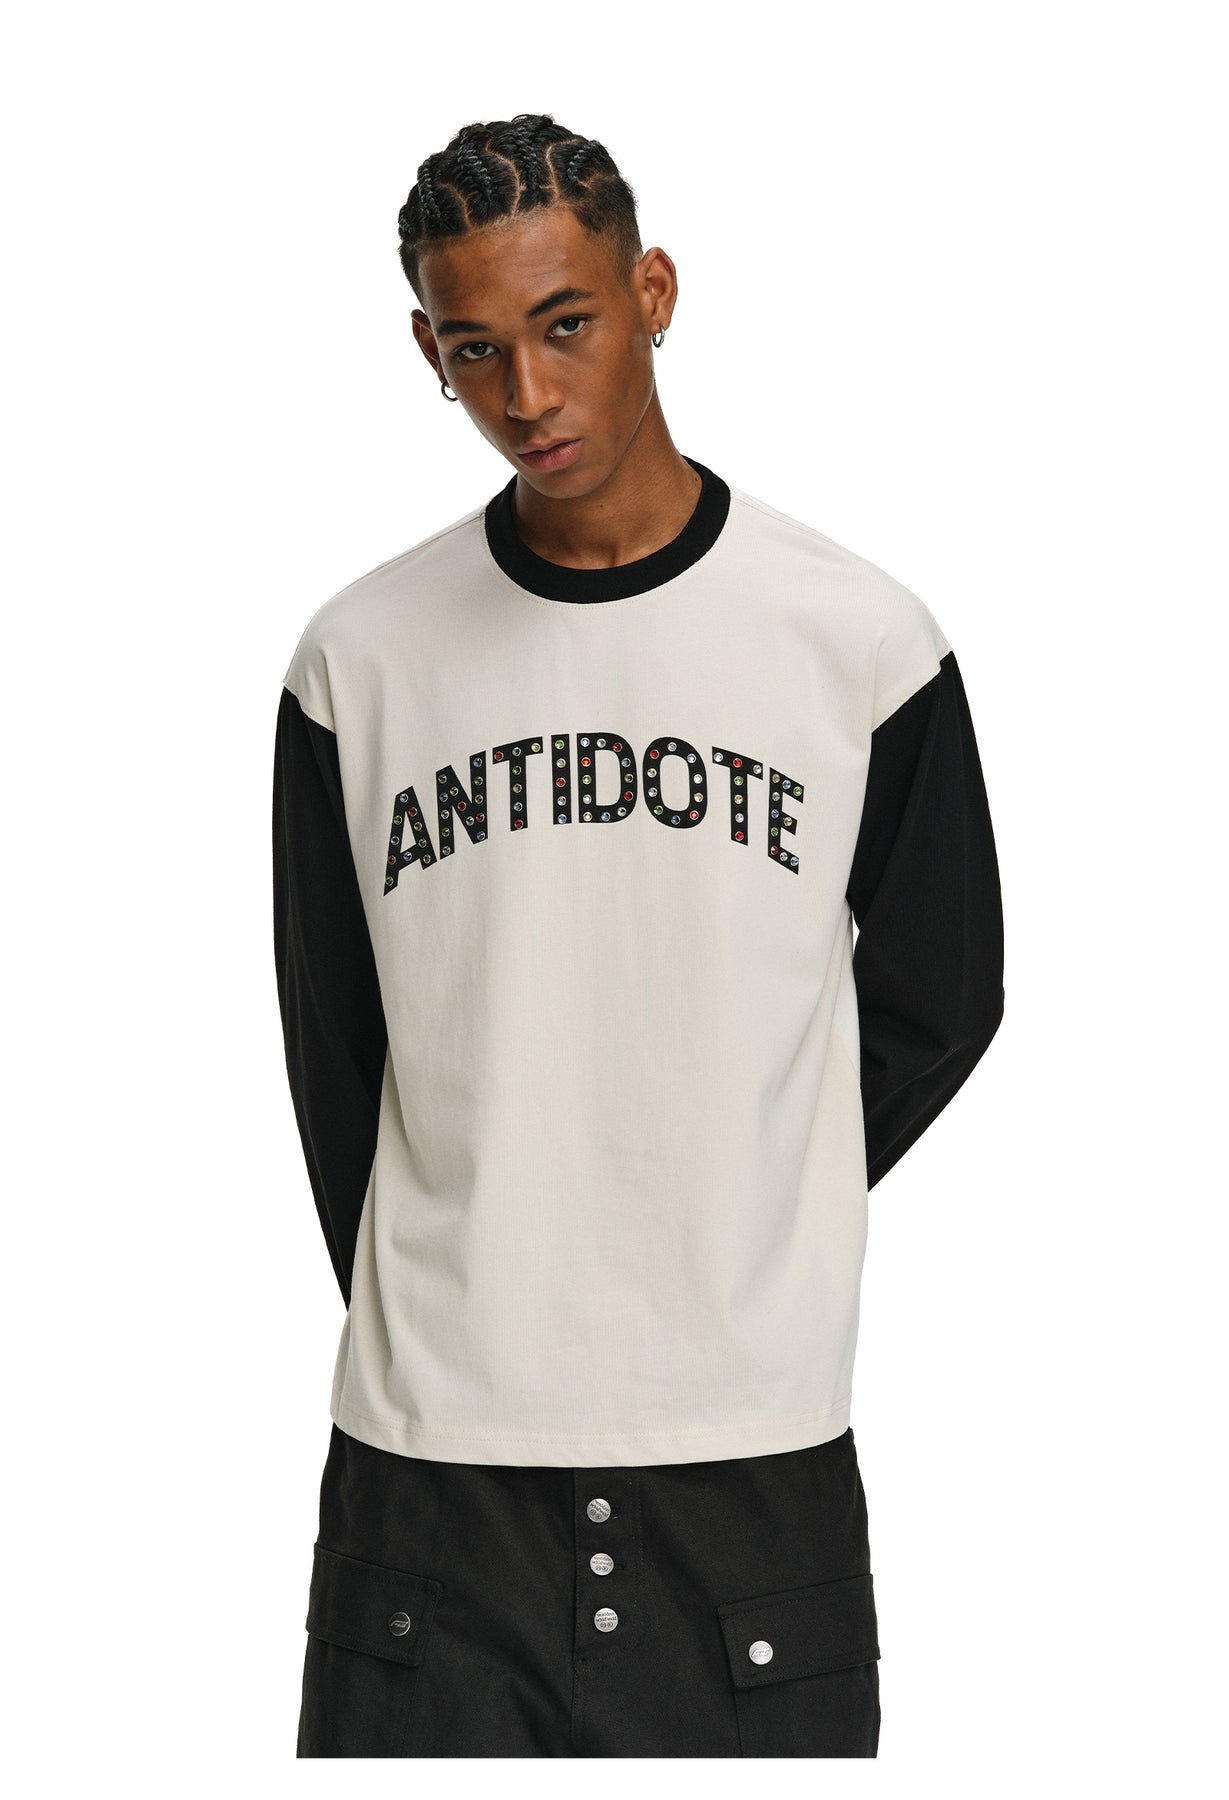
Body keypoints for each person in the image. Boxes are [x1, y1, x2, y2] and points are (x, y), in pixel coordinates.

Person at [272, 111, 1004, 1759]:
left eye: (566, 325)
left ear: (651, 293)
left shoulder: (855, 642)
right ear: (427, 352)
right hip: (428, 1482)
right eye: (474, 348)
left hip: (748, 1471)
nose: (527, 394)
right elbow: (339, 1056)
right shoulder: (358, 662)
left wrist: (741, 1189)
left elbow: (944, 995)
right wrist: (477, 1269)